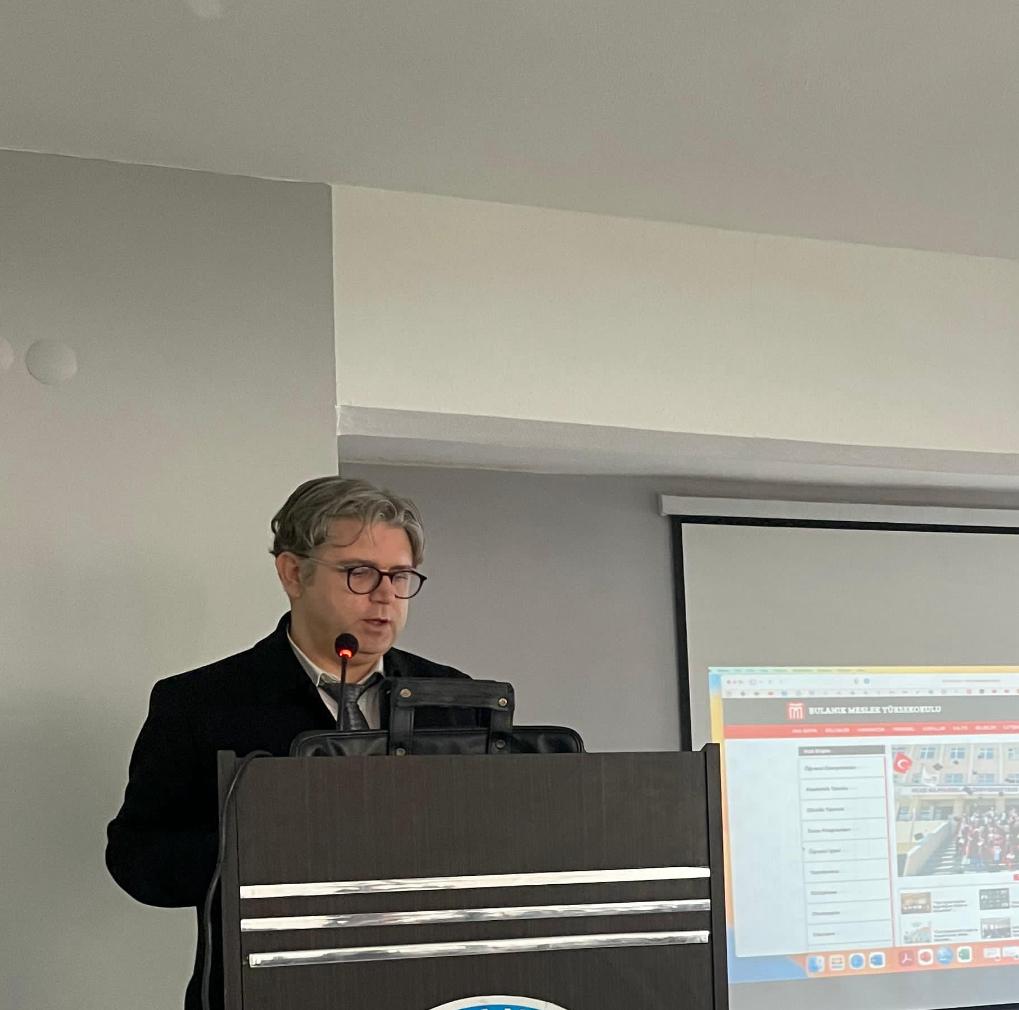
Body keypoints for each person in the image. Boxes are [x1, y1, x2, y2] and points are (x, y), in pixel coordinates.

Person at [106, 477, 475, 1010]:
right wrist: (262, 849)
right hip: (270, 986)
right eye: (359, 573)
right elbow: (137, 860)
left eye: (400, 576)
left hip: (430, 983)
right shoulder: (199, 703)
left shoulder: (456, 698)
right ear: (293, 573)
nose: (385, 596)